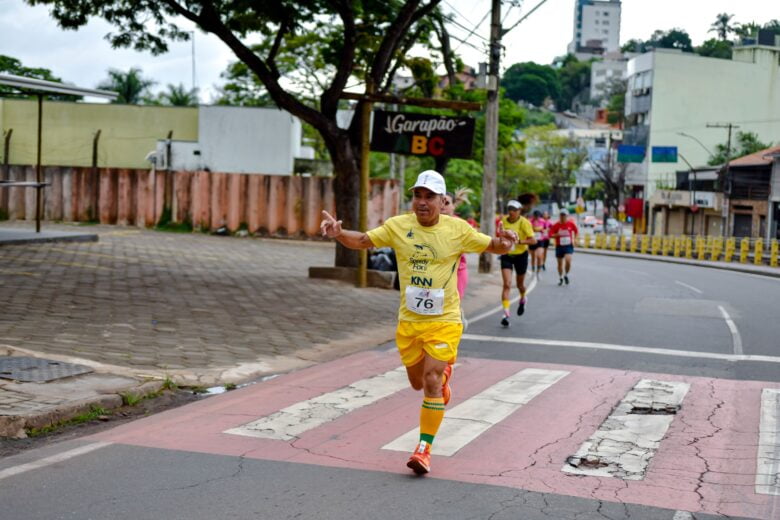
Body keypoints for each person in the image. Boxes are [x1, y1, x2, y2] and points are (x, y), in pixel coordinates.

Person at [320, 170, 518, 475]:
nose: (422, 202)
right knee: (417, 382)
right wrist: (337, 234)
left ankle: (423, 449)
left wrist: (506, 242)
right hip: (410, 322)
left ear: (442, 201)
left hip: (445, 320)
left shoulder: (457, 229)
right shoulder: (399, 226)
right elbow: (361, 240)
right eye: (417, 195)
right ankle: (442, 381)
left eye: (429, 197)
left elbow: (492, 245)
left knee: (431, 381)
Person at [498, 199, 537, 327]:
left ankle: (523, 298)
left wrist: (519, 242)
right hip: (507, 255)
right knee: (507, 284)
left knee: (520, 285)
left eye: (514, 210)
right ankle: (506, 314)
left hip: (521, 255)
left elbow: (533, 241)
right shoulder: (503, 221)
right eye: (509, 209)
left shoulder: (524, 223)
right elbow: (498, 235)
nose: (511, 212)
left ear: (519, 211)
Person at [441, 188, 473, 301]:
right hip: (436, 272)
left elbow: (472, 247)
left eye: (447, 203)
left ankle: (459, 316)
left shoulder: (461, 225)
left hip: (457, 272)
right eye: (440, 202)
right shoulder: (430, 223)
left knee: (453, 305)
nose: (442, 206)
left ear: (454, 205)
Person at [550, 209, 579, 285]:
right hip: (559, 246)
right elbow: (550, 235)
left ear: (567, 216)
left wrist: (575, 239)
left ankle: (566, 274)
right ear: (559, 216)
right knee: (560, 264)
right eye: (561, 215)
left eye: (564, 215)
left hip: (568, 245)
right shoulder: (556, 225)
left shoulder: (570, 224)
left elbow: (576, 231)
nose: (563, 217)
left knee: (568, 260)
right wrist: (557, 235)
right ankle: (560, 277)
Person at [529, 210, 547, 275]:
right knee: (533, 256)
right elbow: (529, 229)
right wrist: (536, 229)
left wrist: (542, 230)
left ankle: (538, 271)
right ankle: (533, 268)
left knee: (539, 255)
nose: (536, 217)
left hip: (540, 240)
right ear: (533, 216)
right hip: (532, 240)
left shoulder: (542, 221)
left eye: (537, 216)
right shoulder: (530, 221)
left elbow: (545, 229)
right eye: (535, 216)